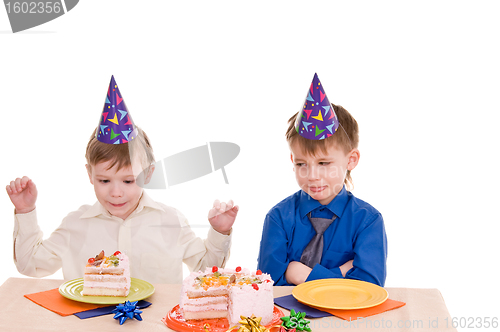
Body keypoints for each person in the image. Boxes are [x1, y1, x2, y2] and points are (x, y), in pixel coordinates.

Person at [5, 76, 238, 284]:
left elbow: (206, 270)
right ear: (90, 175)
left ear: (148, 174)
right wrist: (25, 210)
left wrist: (220, 232)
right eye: (104, 181)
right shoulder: (74, 225)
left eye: (128, 181)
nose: (116, 192)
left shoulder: (171, 221)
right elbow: (30, 265)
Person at [257, 73, 387, 286]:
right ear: (292, 160)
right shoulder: (279, 218)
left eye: (324, 163)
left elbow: (367, 288)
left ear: (351, 160)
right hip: (287, 318)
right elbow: (266, 285)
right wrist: (341, 273)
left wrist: (299, 274)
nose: (312, 176)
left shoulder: (368, 221)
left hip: (345, 320)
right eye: (301, 164)